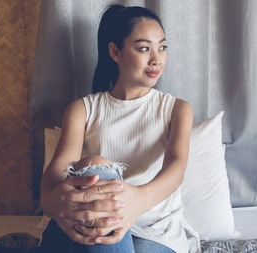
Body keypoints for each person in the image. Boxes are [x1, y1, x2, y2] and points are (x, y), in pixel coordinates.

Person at [38, 4, 199, 253]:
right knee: (96, 165)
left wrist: (136, 201)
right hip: (90, 221)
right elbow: (55, 177)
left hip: (152, 228)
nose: (157, 58)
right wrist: (58, 208)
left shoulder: (176, 109)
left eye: (162, 47)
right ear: (115, 52)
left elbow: (176, 169)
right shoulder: (82, 109)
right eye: (144, 48)